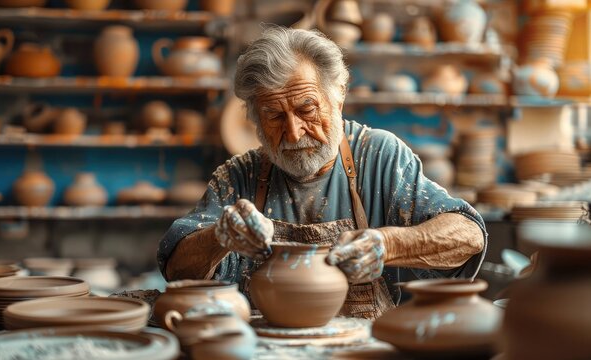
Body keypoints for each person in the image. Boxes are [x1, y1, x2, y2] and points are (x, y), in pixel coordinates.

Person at [158, 27, 487, 319]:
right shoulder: (240, 175)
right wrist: (221, 236)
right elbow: (177, 270)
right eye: (273, 116)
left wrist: (388, 244)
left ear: (339, 95)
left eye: (307, 110)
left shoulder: (378, 155)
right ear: (255, 119)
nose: (294, 132)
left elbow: (467, 235)